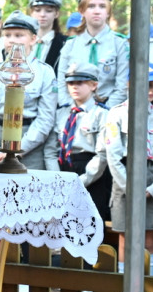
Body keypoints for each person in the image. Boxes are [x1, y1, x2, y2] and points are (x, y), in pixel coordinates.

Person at [104, 63, 153, 292]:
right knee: (124, 237)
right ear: (131, 84)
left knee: (150, 236)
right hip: (125, 177)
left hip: (152, 179)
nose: (151, 90)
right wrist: (128, 187)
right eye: (146, 84)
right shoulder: (117, 113)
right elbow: (113, 154)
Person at [0, 11, 58, 169]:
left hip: (28, 146)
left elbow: (45, 119)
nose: (12, 40)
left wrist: (15, 152)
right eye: (7, 35)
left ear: (33, 39)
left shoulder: (44, 73)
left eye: (19, 35)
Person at [43, 63, 111, 223]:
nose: (74, 87)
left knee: (89, 224)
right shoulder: (61, 113)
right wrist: (57, 177)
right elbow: (50, 151)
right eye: (71, 83)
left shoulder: (102, 114)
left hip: (91, 176)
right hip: (63, 171)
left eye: (80, 83)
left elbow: (102, 154)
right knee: (63, 225)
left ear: (94, 85)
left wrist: (81, 181)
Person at [56, 0, 130, 107]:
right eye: (91, 6)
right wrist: (72, 108)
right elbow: (61, 85)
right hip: (75, 110)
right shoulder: (70, 45)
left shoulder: (119, 44)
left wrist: (105, 111)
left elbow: (121, 87)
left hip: (108, 109)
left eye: (102, 7)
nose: (97, 11)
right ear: (82, 11)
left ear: (108, 12)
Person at [28, 0, 67, 70]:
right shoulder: (23, 41)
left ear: (56, 14)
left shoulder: (65, 43)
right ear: (31, 13)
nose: (42, 15)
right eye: (37, 10)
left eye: (48, 11)